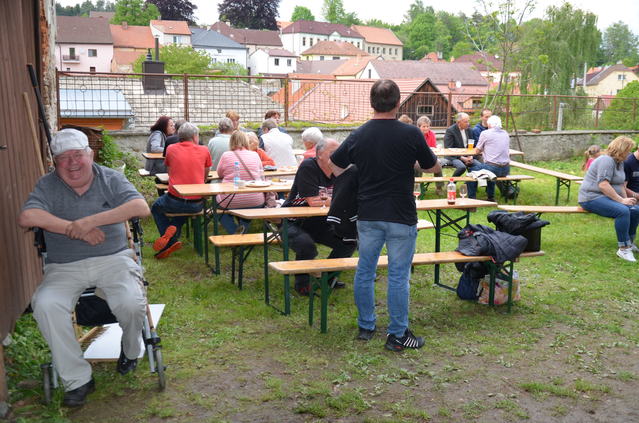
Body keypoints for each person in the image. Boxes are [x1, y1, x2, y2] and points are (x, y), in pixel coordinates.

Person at [18, 129, 149, 407]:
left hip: (113, 259)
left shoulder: (110, 178)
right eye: (63, 158)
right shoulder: (48, 185)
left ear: (90, 154)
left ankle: (130, 350)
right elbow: (28, 216)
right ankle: (78, 379)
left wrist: (90, 222)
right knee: (45, 304)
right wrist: (72, 228)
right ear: (54, 162)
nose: (72, 163)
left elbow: (140, 206)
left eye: (78, 154)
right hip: (64, 266)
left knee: (130, 301)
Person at [330, 79, 440, 351]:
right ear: (398, 102)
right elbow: (431, 166)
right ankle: (397, 334)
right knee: (399, 275)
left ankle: (366, 326)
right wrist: (413, 163)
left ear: (371, 102)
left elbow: (335, 165)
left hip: (368, 213)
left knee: (365, 271)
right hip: (401, 213)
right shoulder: (411, 133)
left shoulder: (359, 134)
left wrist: (361, 171)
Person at [284, 138, 357, 295]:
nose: (337, 155)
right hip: (293, 221)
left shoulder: (340, 170)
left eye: (339, 152)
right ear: (319, 155)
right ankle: (302, 284)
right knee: (306, 246)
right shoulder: (308, 166)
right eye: (333, 152)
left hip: (319, 222)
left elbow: (349, 198)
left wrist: (336, 199)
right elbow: (313, 202)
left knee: (349, 241)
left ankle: (328, 277)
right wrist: (338, 199)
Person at [151, 122, 212, 259]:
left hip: (174, 200)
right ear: (195, 137)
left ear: (179, 136)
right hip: (197, 203)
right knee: (187, 207)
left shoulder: (171, 148)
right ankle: (173, 233)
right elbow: (205, 174)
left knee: (156, 207)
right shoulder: (204, 150)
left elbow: (169, 170)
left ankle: (170, 238)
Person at [579, 136, 639, 262]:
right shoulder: (606, 160)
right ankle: (623, 249)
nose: (630, 153)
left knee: (634, 210)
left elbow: (621, 184)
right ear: (621, 149)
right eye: (628, 150)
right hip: (591, 197)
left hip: (605, 197)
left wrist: (626, 200)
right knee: (622, 211)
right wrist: (622, 201)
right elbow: (603, 185)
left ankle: (629, 242)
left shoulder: (620, 162)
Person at [216, 131, 266, 234]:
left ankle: (234, 231)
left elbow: (219, 173)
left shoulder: (226, 155)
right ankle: (243, 227)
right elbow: (261, 175)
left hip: (230, 198)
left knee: (215, 208)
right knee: (247, 207)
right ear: (246, 141)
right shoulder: (255, 155)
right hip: (255, 199)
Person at [466, 115, 511, 201]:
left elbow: (477, 151)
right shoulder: (505, 133)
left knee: (471, 171)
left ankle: (472, 199)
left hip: (493, 168)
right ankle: (490, 197)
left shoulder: (485, 133)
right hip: (506, 169)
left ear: (489, 124)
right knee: (489, 171)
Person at [416, 115, 444, 195]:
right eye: (423, 126)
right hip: (417, 158)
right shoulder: (415, 134)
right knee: (417, 165)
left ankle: (439, 188)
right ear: (419, 127)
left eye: (427, 126)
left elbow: (433, 148)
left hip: (429, 157)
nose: (426, 128)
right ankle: (417, 187)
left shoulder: (431, 134)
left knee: (438, 164)